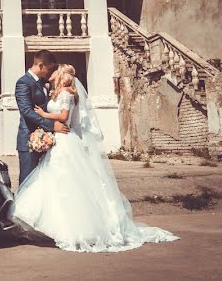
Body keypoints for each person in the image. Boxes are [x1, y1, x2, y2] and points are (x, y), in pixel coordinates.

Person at [10, 64, 180, 252]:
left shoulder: (66, 94)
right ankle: (44, 225)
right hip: (57, 141)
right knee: (53, 181)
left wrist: (44, 115)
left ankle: (73, 228)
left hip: (65, 141)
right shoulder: (56, 91)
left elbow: (64, 118)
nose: (52, 73)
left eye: (56, 70)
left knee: (67, 183)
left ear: (61, 74)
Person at [14, 50, 69, 187]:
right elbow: (26, 111)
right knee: (27, 182)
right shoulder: (23, 83)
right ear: (40, 65)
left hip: (46, 139)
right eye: (48, 68)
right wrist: (52, 125)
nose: (48, 72)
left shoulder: (43, 82)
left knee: (43, 183)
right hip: (29, 139)